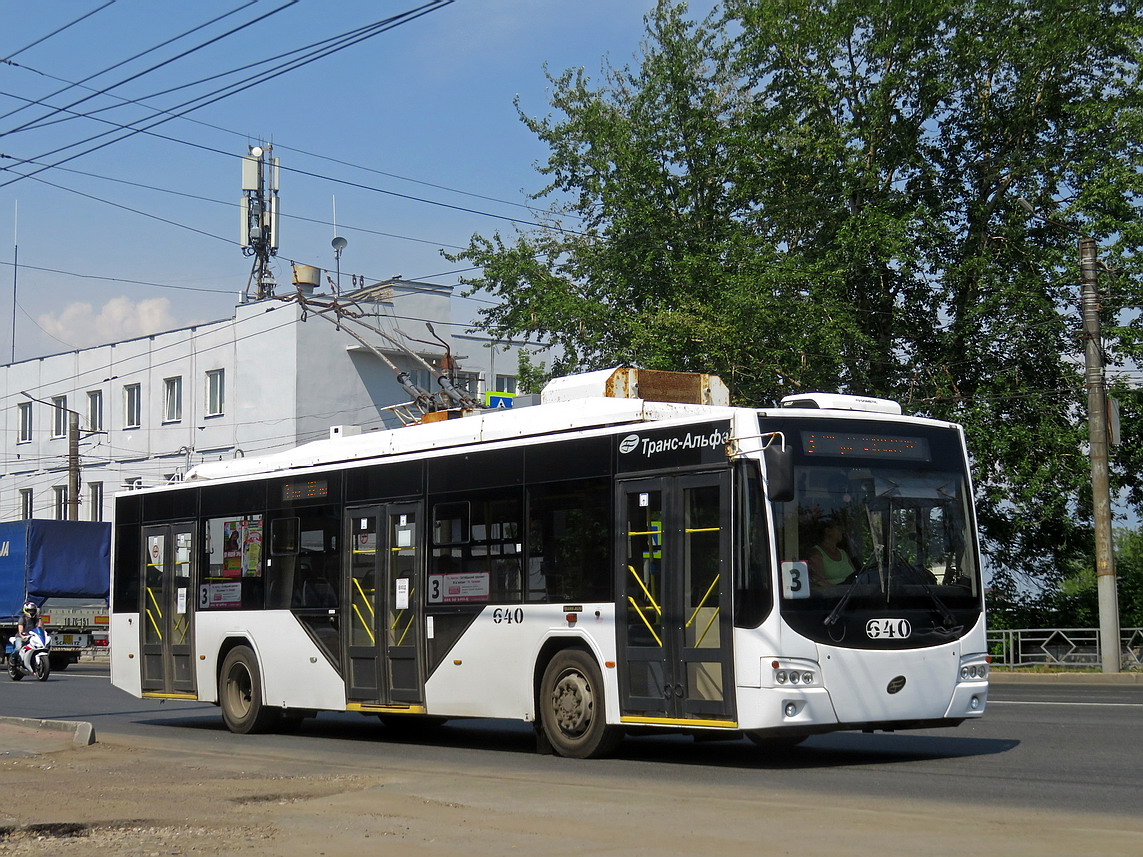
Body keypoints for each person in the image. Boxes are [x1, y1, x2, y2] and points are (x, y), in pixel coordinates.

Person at [807, 519, 855, 587]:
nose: (842, 531)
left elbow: (857, 576)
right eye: (838, 528)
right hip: (836, 596)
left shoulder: (843, 553)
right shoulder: (816, 553)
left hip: (854, 594)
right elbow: (818, 582)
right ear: (827, 531)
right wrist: (841, 591)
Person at [10, 601, 41, 667]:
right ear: (26, 610)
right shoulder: (22, 619)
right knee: (18, 647)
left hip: (32, 637)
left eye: (33, 610)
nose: (31, 612)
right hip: (21, 637)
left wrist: (40, 619)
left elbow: (40, 628)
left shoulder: (35, 619)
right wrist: (23, 636)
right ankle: (13, 658)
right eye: (29, 610)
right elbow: (20, 630)